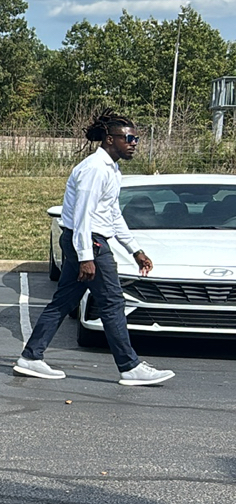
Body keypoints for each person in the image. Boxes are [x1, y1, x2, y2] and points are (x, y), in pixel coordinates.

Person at [15, 114, 174, 386]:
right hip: (90, 242)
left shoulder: (111, 169)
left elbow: (113, 214)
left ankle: (31, 357)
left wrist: (135, 250)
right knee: (112, 302)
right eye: (129, 138)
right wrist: (86, 257)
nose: (134, 143)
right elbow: (83, 216)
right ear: (110, 139)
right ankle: (129, 366)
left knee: (64, 301)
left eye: (135, 138)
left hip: (90, 240)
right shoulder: (95, 169)